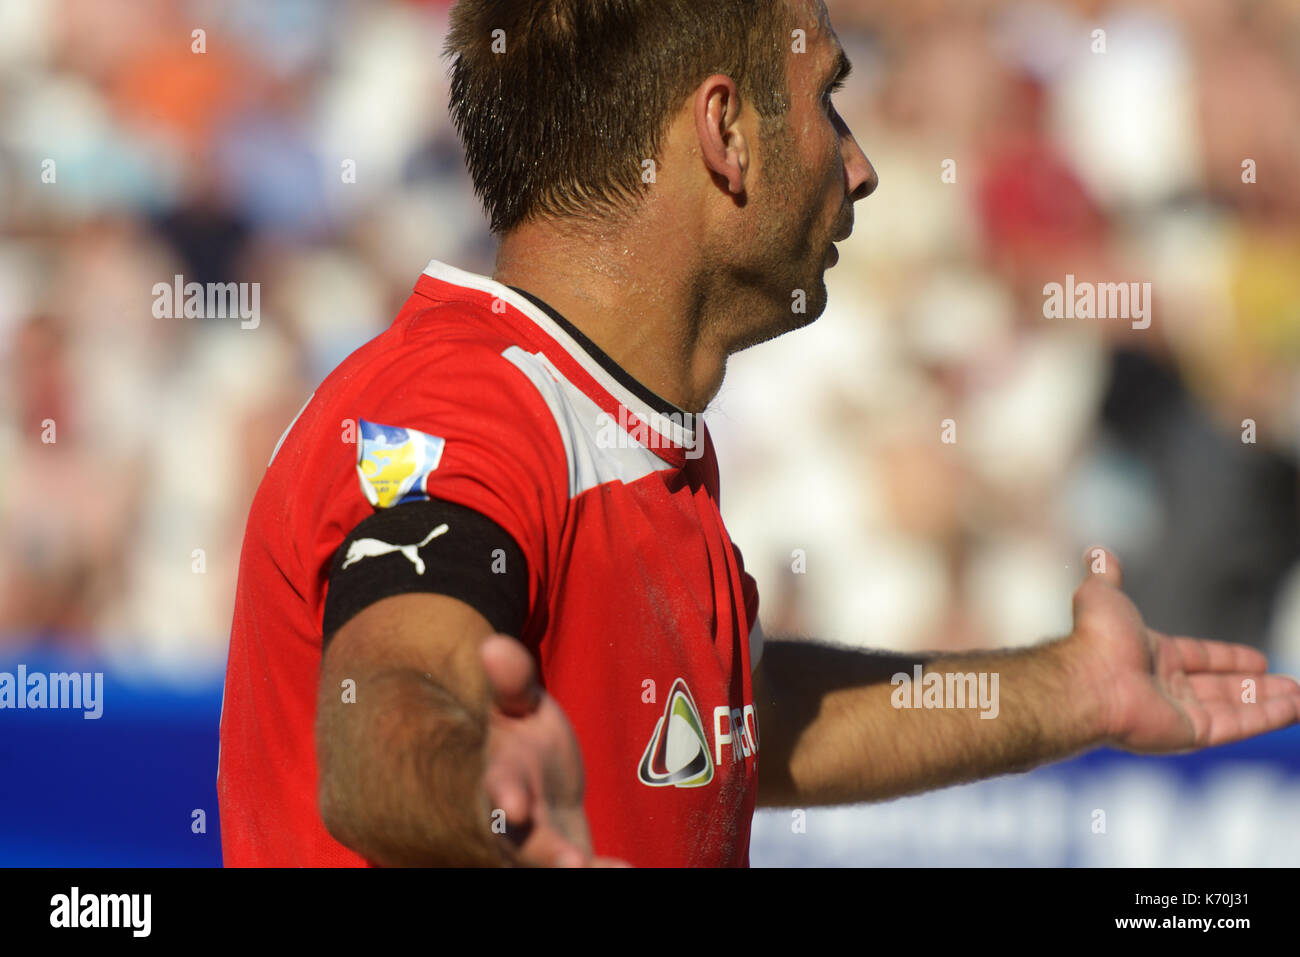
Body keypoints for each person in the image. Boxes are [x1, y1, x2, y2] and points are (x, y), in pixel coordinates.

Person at [216, 0, 1300, 867]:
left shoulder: (612, 422)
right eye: (830, 98)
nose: (859, 164)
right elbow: (386, 710)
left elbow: (726, 723)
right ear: (724, 132)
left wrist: (1069, 689)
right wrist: (480, 791)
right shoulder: (460, 407)